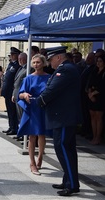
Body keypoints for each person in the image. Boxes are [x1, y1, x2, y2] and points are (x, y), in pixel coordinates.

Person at [37, 46, 81, 196]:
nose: (49, 63)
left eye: (50, 60)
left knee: (63, 148)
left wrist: (40, 100)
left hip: (63, 116)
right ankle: (68, 180)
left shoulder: (66, 69)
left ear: (58, 57)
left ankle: (72, 184)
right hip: (63, 116)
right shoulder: (66, 68)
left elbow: (52, 89)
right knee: (67, 149)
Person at [17, 54, 52, 176]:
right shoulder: (28, 78)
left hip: (43, 108)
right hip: (32, 108)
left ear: (43, 63)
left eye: (38, 62)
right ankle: (32, 162)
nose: (36, 64)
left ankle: (40, 156)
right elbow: (20, 94)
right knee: (32, 136)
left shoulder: (49, 78)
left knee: (42, 135)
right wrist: (25, 95)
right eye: (34, 62)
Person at [1, 47, 21, 135]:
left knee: (13, 111)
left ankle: (15, 128)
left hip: (11, 91)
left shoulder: (18, 65)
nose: (11, 56)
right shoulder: (10, 64)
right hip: (7, 90)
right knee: (9, 111)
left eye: (13, 55)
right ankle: (11, 126)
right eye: (10, 55)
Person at [86, 54, 105, 145]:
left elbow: (102, 86)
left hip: (100, 97)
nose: (98, 63)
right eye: (97, 61)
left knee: (99, 117)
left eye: (100, 61)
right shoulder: (94, 71)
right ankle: (94, 136)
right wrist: (90, 93)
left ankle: (98, 137)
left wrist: (93, 94)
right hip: (91, 96)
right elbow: (89, 83)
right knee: (93, 116)